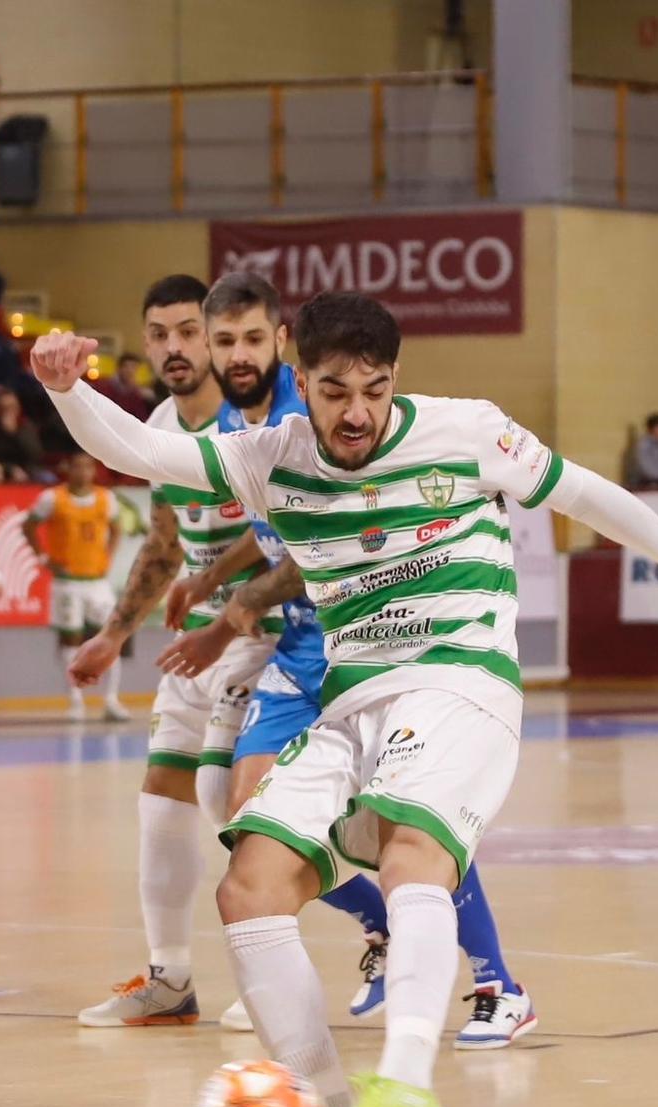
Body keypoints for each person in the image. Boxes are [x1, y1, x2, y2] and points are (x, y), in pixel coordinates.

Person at [32, 295, 658, 1107]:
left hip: (463, 680)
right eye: (335, 392)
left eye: (374, 390)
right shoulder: (272, 459)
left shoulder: (468, 433)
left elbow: (580, 493)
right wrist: (67, 390)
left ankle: (405, 1084)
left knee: (413, 852)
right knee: (249, 884)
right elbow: (145, 451)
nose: (357, 413)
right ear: (304, 383)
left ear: (394, 381)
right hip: (351, 701)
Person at [156, 271, 531, 1048]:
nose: (236, 353)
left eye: (252, 338)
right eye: (221, 340)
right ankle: (380, 924)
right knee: (238, 805)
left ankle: (493, 978)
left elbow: (325, 554)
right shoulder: (238, 422)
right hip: (296, 647)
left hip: (345, 641)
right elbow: (269, 530)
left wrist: (229, 619)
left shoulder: (323, 409)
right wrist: (211, 575)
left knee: (408, 818)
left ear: (281, 345)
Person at [62, 275, 279, 1029]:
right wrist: (115, 633)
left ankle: (272, 980)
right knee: (161, 797)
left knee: (228, 801)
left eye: (190, 331)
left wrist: (224, 590)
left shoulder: (254, 421)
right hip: (192, 644)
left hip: (259, 636)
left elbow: (288, 531)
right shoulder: (155, 423)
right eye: (160, 334)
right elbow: (163, 543)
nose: (175, 347)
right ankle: (170, 977)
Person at [25, 452, 126, 720]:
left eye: (88, 466)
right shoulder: (52, 498)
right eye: (77, 465)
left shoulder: (107, 498)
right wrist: (44, 558)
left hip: (97, 581)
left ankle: (111, 700)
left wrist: (109, 555)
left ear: (94, 470)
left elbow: (117, 528)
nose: (83, 471)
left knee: (110, 636)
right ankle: (75, 700)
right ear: (67, 468)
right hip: (66, 581)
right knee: (69, 637)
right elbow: (29, 526)